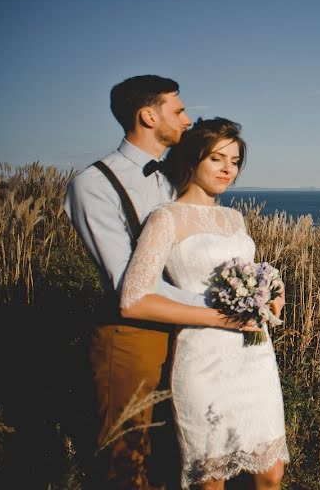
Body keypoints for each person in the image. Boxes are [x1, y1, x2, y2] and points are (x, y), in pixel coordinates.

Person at [64, 75, 248, 489]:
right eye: (178, 110)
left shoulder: (179, 175)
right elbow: (126, 283)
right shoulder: (93, 185)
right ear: (148, 115)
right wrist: (218, 305)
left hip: (193, 338)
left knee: (178, 454)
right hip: (133, 337)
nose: (186, 120)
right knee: (127, 458)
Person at [120, 117, 289, 490]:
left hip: (255, 356)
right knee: (211, 481)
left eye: (234, 160)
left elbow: (245, 270)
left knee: (271, 473)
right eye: (217, 159)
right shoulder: (166, 218)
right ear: (192, 160)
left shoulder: (233, 218)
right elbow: (133, 300)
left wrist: (273, 286)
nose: (228, 169)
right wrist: (221, 319)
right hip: (205, 358)